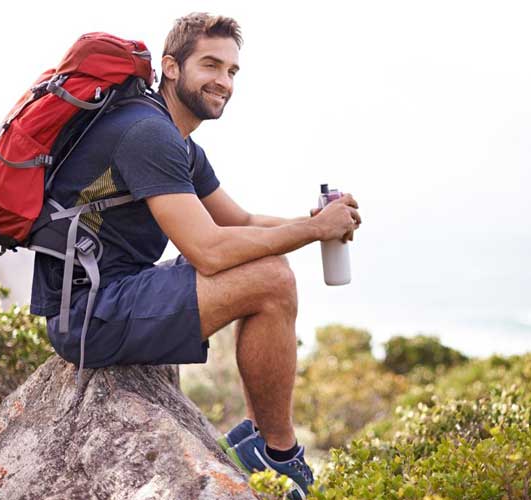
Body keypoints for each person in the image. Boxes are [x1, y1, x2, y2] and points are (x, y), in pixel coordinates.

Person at [30, 12, 361, 498]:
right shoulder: (146, 133)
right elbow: (208, 250)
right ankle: (280, 453)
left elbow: (240, 223)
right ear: (170, 67)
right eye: (210, 65)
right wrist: (313, 231)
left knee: (270, 269)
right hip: (88, 317)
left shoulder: (179, 143)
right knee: (271, 279)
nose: (223, 81)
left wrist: (312, 222)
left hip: (111, 297)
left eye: (231, 71)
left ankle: (257, 440)